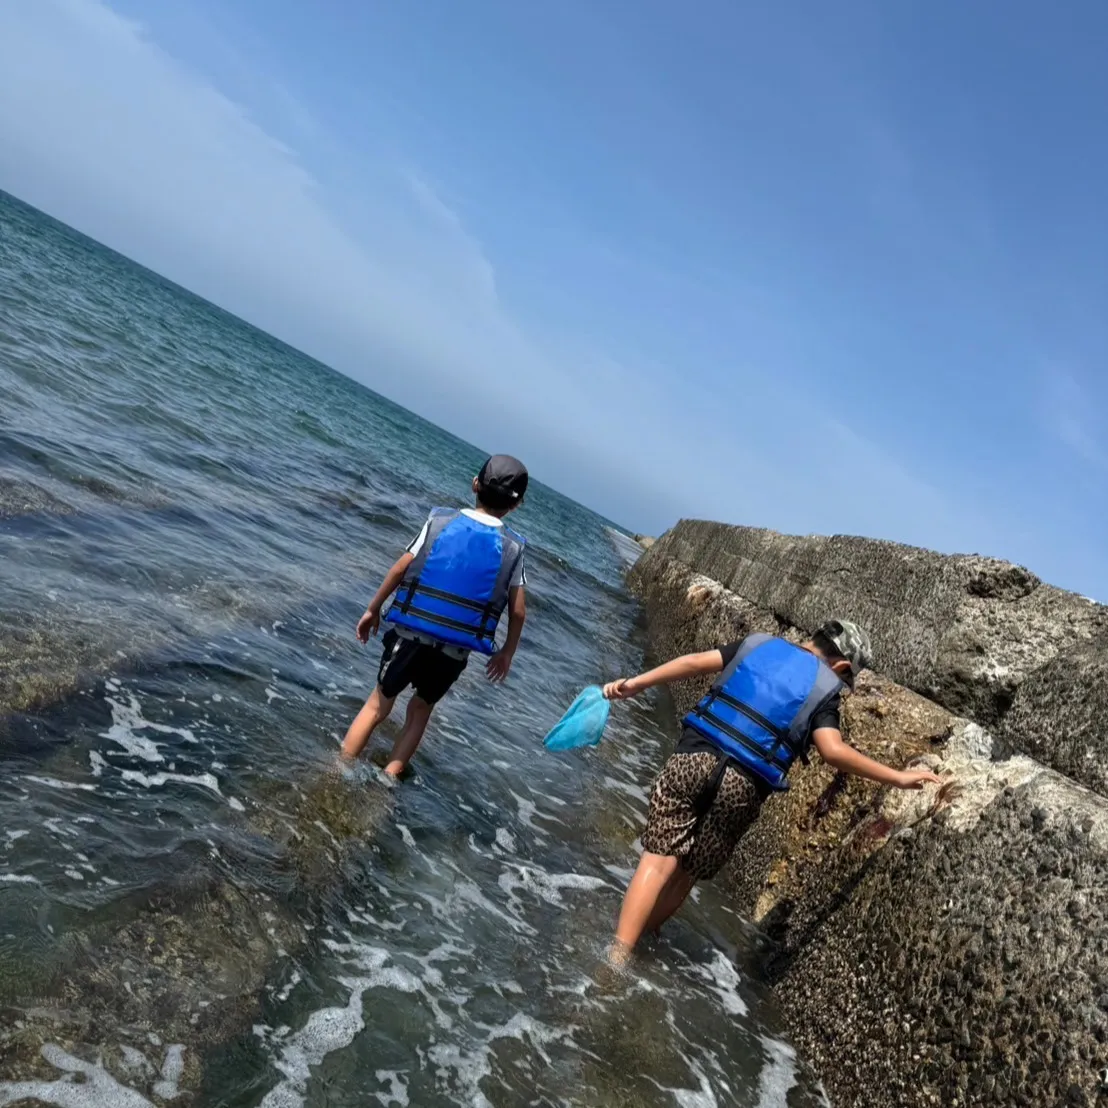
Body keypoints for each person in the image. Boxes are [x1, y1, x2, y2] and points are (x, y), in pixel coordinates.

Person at [601, 619, 943, 962]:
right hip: (743, 787)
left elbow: (692, 663)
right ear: (840, 666)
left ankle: (619, 954)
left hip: (695, 757)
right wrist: (897, 777)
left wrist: (635, 684)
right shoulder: (826, 691)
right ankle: (648, 939)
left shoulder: (759, 644)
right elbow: (833, 751)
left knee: (658, 862)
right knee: (686, 873)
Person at [340, 455, 529, 777]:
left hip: (410, 636)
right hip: (453, 651)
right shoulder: (513, 547)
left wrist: (373, 609)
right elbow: (518, 610)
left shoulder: (441, 521)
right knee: (419, 711)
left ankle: (338, 769)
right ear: (517, 504)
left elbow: (400, 568)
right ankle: (388, 780)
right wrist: (507, 652)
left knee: (378, 705)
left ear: (475, 484)